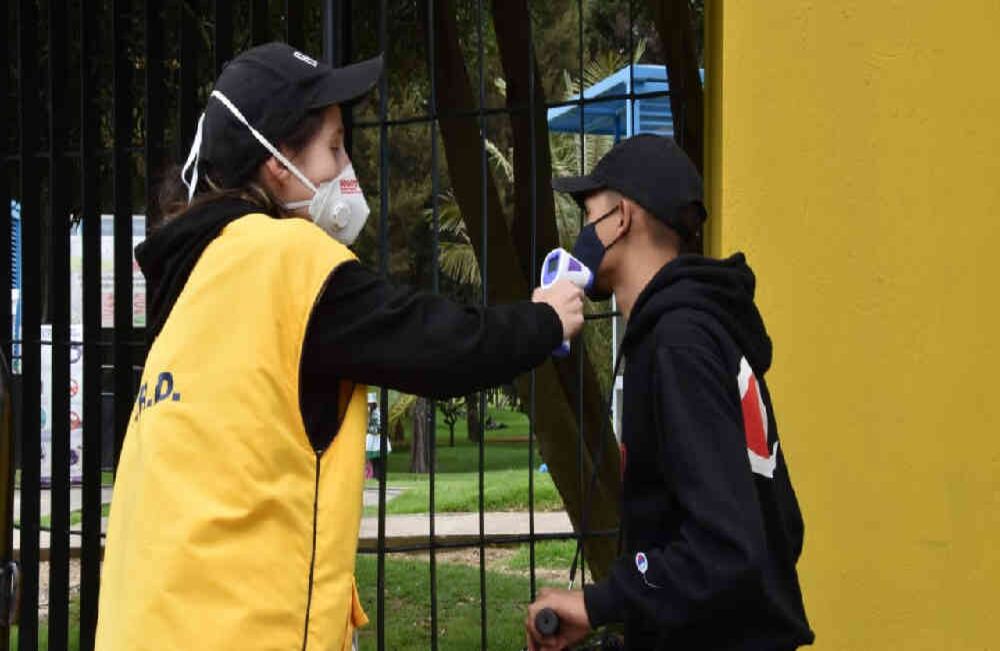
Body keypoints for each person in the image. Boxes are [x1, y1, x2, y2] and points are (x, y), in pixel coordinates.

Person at [95, 42, 584, 651]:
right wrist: (544, 321)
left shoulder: (193, 283)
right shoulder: (286, 261)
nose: (346, 166)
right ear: (277, 161)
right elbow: (437, 345)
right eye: (333, 146)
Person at [525, 135, 814, 650]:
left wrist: (599, 604)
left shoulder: (677, 342)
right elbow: (782, 527)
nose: (582, 232)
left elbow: (725, 544)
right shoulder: (704, 329)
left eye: (589, 212)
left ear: (622, 218)